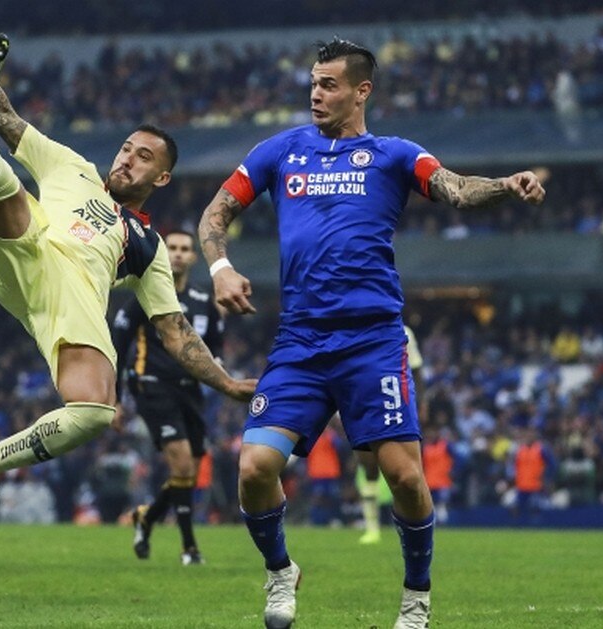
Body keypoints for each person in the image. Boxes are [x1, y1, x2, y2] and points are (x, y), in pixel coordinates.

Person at [197, 38, 545, 629]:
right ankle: (281, 571)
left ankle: (416, 598)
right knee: (255, 467)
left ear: (362, 91)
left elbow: (455, 189)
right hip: (301, 340)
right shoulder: (280, 151)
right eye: (312, 82)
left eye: (329, 84)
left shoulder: (394, 154)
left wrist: (506, 185)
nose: (315, 93)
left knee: (406, 477)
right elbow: (215, 215)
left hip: (372, 340)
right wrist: (220, 267)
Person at [0, 3, 257, 541]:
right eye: (127, 148)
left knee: (94, 413)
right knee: (2, 185)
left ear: (163, 175)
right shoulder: (73, 167)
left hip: (71, 302)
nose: (128, 158)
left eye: (144, 157)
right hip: (29, 250)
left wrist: (224, 383)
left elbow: (174, 333)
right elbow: (9, 115)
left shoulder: (147, 245)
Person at [111, 230, 224, 565]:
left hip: (190, 390)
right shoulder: (146, 297)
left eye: (184, 249)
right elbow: (118, 343)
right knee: (183, 462)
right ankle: (189, 548)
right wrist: (115, 398)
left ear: (192, 257)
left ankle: (147, 517)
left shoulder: (205, 302)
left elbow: (214, 353)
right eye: (171, 247)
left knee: (188, 468)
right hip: (151, 384)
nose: (177, 253)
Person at [357, 324, 426, 544]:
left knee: (405, 471)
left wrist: (421, 404)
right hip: (363, 402)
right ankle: (372, 527)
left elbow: (416, 369)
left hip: (397, 402)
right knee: (368, 466)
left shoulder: (404, 331)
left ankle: (411, 525)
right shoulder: (354, 329)